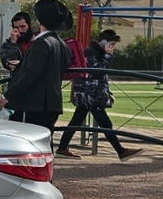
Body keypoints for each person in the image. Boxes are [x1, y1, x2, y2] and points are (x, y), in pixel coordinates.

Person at [55, 30, 142, 161]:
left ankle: (62, 148)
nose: (112, 47)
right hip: (91, 95)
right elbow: (97, 72)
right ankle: (121, 151)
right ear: (105, 42)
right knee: (105, 124)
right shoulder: (91, 52)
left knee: (77, 121)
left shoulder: (94, 51)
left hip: (89, 94)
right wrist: (108, 56)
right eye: (111, 44)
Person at [0, 0, 71, 131]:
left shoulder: (41, 43)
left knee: (31, 141)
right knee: (45, 142)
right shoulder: (61, 43)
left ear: (38, 21)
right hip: (52, 103)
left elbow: (31, 74)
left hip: (36, 104)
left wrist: (7, 95)